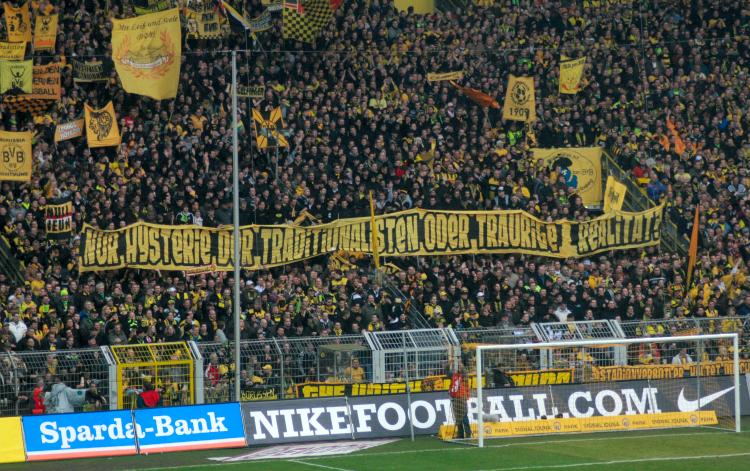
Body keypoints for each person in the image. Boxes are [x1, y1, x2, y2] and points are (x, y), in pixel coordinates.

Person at [449, 362, 471, 439]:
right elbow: (447, 372)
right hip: (455, 398)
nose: (458, 367)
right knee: (458, 417)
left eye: (459, 366)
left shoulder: (464, 376)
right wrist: (449, 362)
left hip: (462, 397)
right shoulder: (454, 375)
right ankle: (460, 434)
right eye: (457, 366)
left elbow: (465, 372)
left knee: (464, 416)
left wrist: (461, 365)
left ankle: (468, 434)